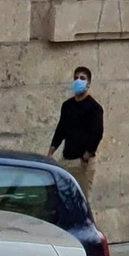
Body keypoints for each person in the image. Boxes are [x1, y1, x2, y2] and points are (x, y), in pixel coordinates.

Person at [48, 63, 104, 196]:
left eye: (82, 78)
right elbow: (61, 130)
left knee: (81, 199)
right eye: (76, 78)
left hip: (82, 163)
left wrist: (86, 156)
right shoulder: (67, 106)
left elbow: (97, 133)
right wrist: (51, 152)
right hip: (67, 160)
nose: (78, 80)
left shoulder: (94, 108)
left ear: (88, 83)